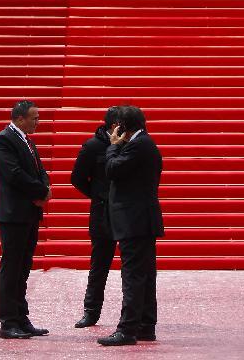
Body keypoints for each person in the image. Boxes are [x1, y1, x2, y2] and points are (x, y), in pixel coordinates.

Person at [97, 105, 164, 346]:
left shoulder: (137, 145)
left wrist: (113, 147)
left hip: (134, 222)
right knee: (143, 275)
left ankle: (127, 329)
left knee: (134, 276)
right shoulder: (143, 143)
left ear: (122, 127)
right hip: (140, 221)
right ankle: (145, 325)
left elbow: (112, 170)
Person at [0, 100, 51, 339]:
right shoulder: (4, 140)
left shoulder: (26, 140)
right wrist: (39, 191)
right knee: (12, 268)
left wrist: (44, 187)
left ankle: (21, 316)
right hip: (14, 213)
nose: (38, 122)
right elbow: (13, 174)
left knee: (23, 267)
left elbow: (39, 170)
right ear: (19, 118)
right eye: (34, 118)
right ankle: (8, 321)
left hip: (29, 212)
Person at [70, 106, 120, 329]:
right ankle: (91, 311)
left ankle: (132, 314)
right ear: (113, 126)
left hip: (127, 211)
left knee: (132, 267)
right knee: (99, 265)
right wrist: (98, 195)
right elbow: (77, 177)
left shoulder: (131, 144)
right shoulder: (93, 146)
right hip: (102, 212)